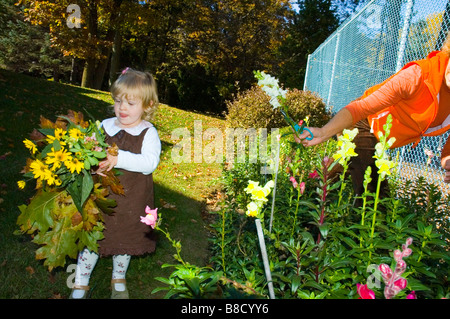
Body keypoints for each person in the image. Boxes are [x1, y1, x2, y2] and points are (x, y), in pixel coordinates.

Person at [295, 33, 450, 198]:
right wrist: (325, 131)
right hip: (364, 122)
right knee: (374, 194)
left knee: (341, 170)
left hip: (382, 138)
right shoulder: (418, 76)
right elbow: (361, 108)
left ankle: (304, 199)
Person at [70, 68, 161, 299]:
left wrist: (119, 158)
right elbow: (92, 152)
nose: (122, 108)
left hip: (132, 198)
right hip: (100, 195)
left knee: (124, 238)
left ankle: (118, 277)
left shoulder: (148, 132)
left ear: (147, 106)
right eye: (118, 100)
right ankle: (80, 282)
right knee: (93, 236)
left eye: (130, 103)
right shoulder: (105, 126)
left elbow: (150, 163)